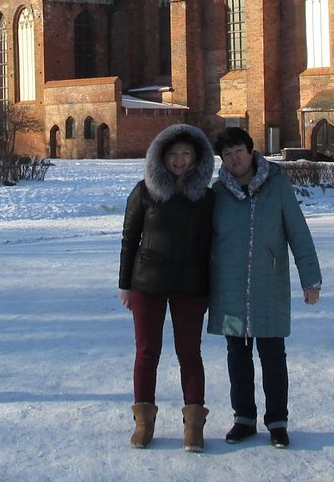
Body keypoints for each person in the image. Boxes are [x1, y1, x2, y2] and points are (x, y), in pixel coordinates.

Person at [208, 127, 321, 449]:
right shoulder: (217, 192)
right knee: (237, 356)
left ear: (251, 151)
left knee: (273, 356)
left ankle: (277, 421)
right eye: (227, 155)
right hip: (229, 286)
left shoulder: (277, 185)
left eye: (238, 152)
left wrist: (310, 280)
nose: (233, 160)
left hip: (269, 283)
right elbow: (204, 242)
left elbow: (298, 233)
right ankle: (243, 418)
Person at [119, 123, 216, 452]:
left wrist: (214, 287)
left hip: (191, 285)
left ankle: (193, 427)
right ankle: (144, 424)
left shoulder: (206, 196)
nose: (179, 160)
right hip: (148, 282)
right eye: (173, 154)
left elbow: (216, 244)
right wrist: (124, 285)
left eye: (186, 154)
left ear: (196, 158)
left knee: (190, 354)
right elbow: (129, 239)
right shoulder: (145, 190)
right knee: (147, 353)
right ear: (161, 157)